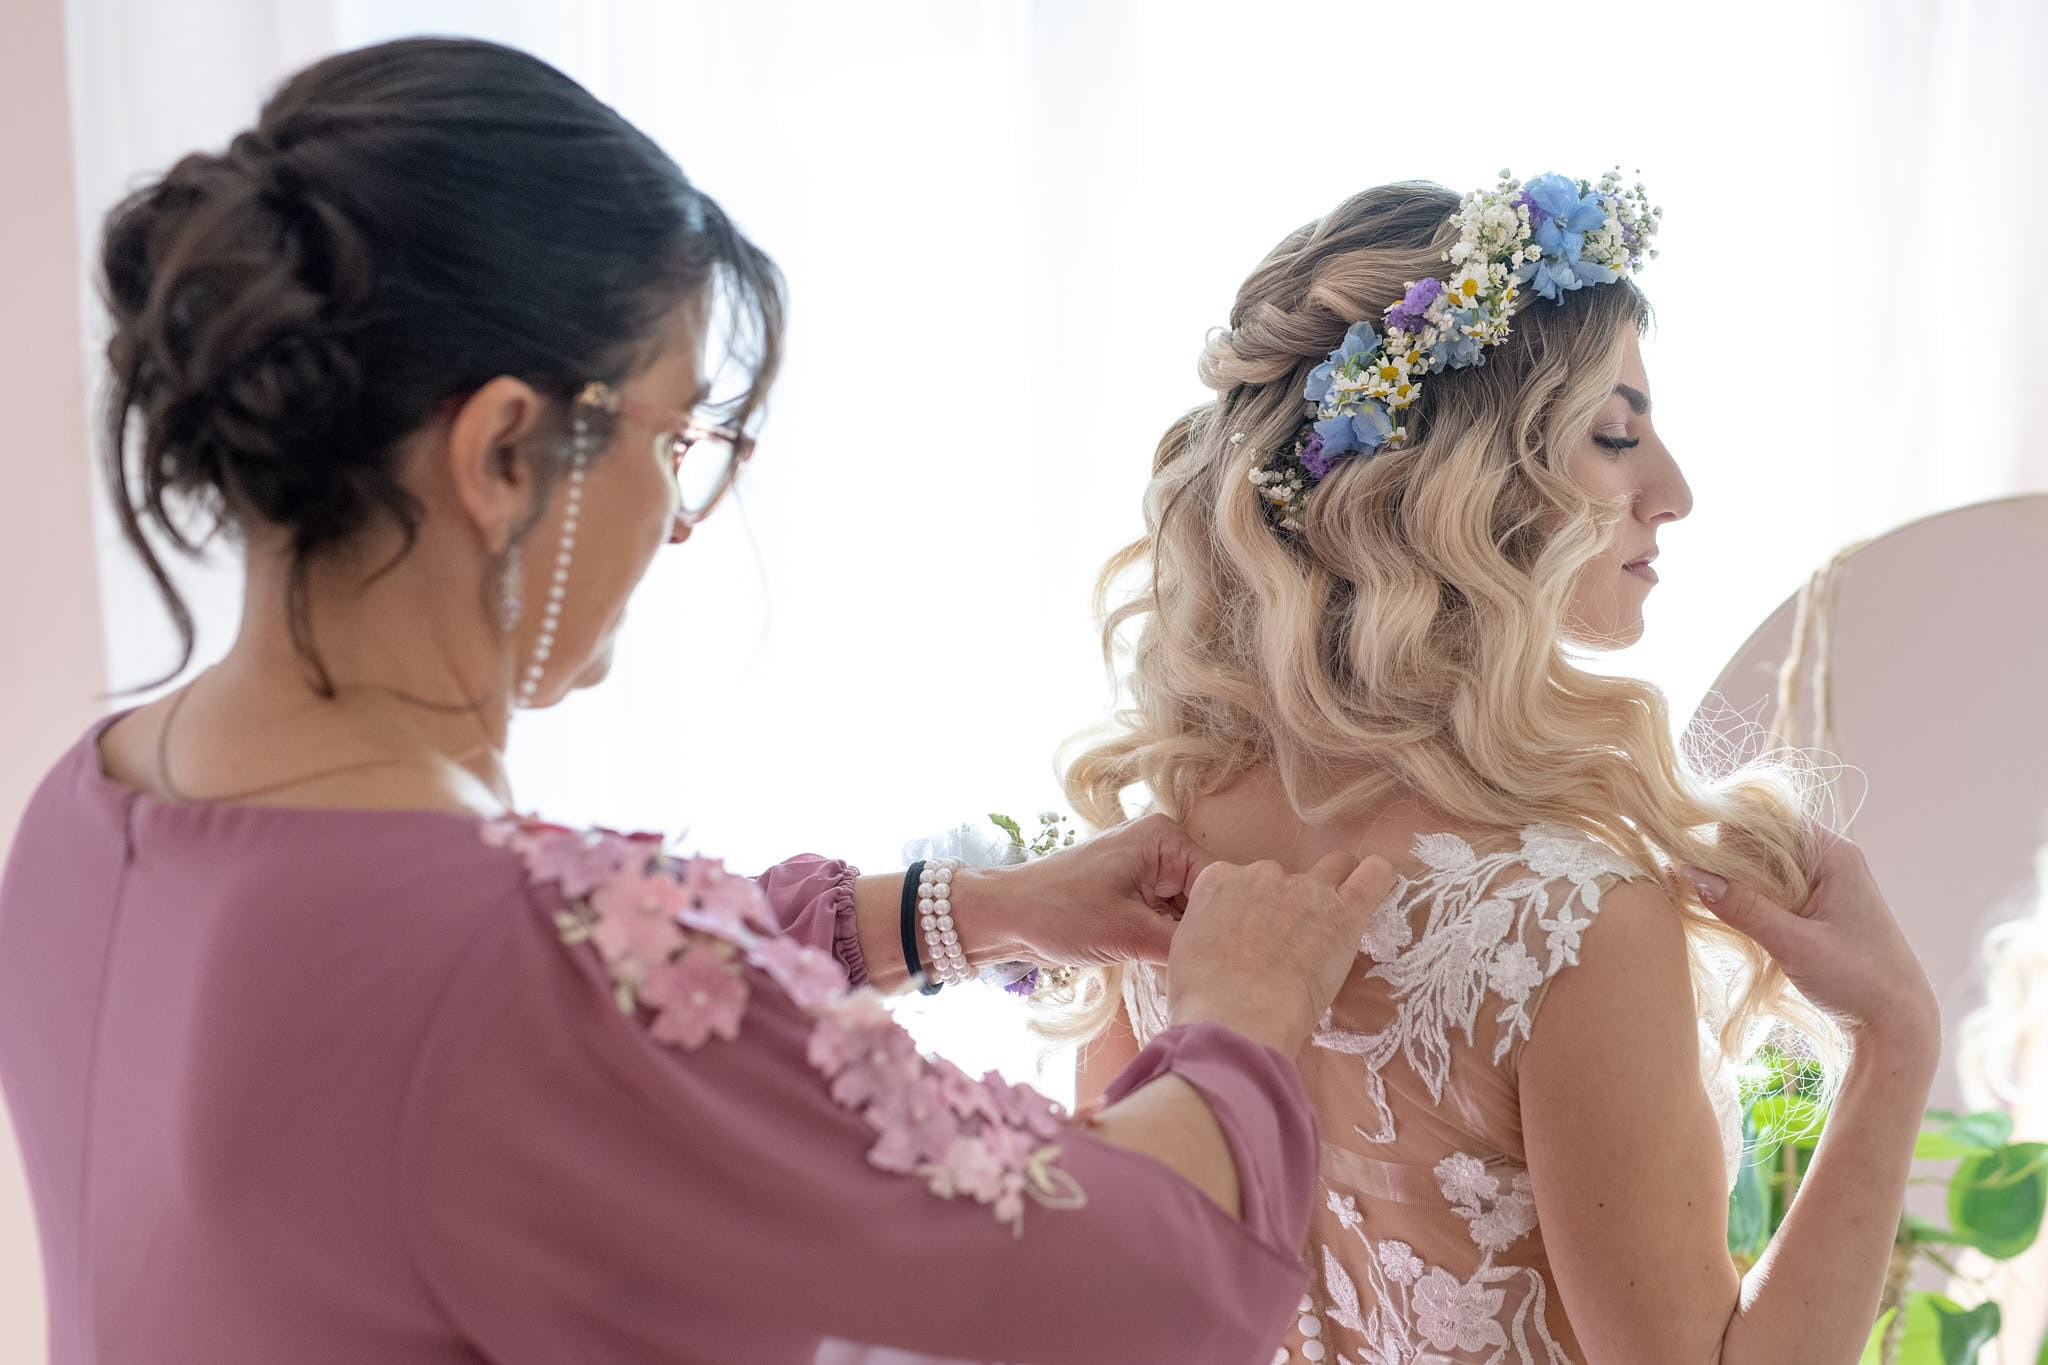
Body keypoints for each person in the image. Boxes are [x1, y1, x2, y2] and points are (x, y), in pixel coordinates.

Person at [0, 38, 1400, 1365]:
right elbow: (1102, 1281)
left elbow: (589, 1020)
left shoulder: (91, 805)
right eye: (675, 434)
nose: (678, 516)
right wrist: (1238, 1022)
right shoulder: (513, 976)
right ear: (502, 451)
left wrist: (976, 910)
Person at [1062, 176, 1942, 1363]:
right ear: (1466, 482)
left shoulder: (1165, 848)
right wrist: (1895, 1040)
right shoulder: (1567, 921)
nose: (1673, 494)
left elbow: (1115, 1295)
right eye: (1615, 435)